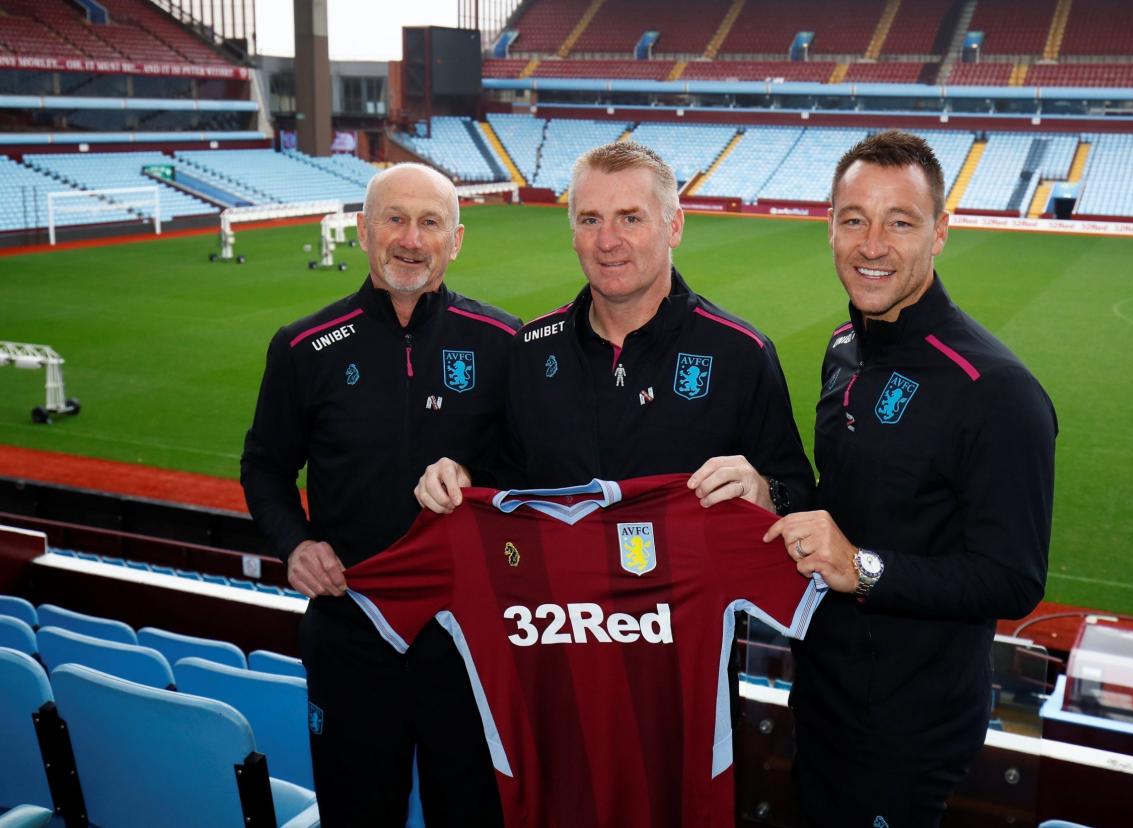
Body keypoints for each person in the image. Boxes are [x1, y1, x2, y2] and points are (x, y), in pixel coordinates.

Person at [764, 130, 1058, 827]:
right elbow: (845, 507)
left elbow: (1012, 578)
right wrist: (769, 494)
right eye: (853, 219)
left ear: (940, 233)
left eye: (900, 222)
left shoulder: (996, 389)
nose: (872, 244)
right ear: (829, 227)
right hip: (822, 701)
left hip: (906, 731)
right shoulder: (843, 351)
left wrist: (862, 569)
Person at [240, 163, 518, 827]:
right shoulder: (304, 347)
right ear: (363, 231)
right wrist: (295, 542)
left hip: (467, 646)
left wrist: (476, 479)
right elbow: (265, 467)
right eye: (395, 219)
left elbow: (533, 469)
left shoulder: (506, 344)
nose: (411, 239)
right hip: (351, 639)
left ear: (457, 239)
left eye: (430, 223)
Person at [416, 140, 813, 517]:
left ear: (673, 226)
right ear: (573, 233)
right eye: (590, 220)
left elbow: (799, 495)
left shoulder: (741, 353)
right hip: (565, 587)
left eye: (630, 218)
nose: (607, 241)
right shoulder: (531, 351)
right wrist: (464, 476)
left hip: (692, 590)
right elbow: (509, 475)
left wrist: (764, 491)